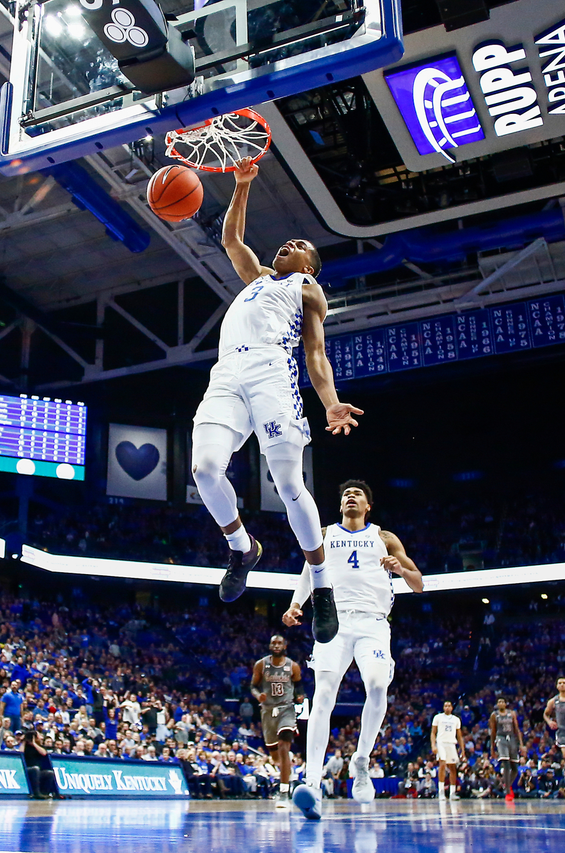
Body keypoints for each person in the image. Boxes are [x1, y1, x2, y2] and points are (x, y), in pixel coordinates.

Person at [196, 154, 362, 628]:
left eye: (302, 246)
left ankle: (321, 583)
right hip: (227, 373)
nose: (291, 244)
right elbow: (231, 239)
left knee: (289, 485)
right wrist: (243, 184)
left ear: (312, 265)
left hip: (272, 372)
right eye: (290, 242)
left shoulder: (306, 288)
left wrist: (330, 403)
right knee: (205, 470)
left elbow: (314, 353)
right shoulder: (258, 279)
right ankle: (242, 549)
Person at [282, 480, 423, 819]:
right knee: (323, 697)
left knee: (377, 686)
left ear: (368, 506)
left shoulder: (384, 538)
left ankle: (361, 760)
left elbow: (419, 583)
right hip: (334, 621)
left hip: (373, 623)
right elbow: (308, 570)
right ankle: (312, 784)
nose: (350, 496)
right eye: (345, 493)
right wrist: (295, 604)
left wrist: (399, 569)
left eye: (357, 493)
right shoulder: (327, 533)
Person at [251, 633, 302, 809]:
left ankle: (284, 792)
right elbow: (253, 686)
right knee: (275, 756)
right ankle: (286, 772)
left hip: (286, 709)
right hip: (267, 711)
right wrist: (259, 696)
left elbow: (299, 684)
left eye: (280, 642)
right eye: (274, 643)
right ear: (270, 646)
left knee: (283, 747)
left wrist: (300, 696)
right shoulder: (261, 665)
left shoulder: (293, 666)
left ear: (285, 646)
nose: (277, 645)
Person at [489, 697, 522, 802]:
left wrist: (521, 744)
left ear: (506, 704)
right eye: (499, 702)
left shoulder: (512, 713)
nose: (501, 703)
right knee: (506, 764)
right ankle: (508, 791)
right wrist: (492, 748)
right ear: (497, 705)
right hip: (501, 738)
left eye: (502, 701)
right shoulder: (494, 715)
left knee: (515, 768)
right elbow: (493, 731)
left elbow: (516, 729)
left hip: (511, 738)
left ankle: (506, 784)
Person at [431, 701, 464, 801]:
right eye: (445, 706)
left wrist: (462, 749)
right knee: (442, 764)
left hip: (451, 743)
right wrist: (433, 745)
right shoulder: (438, 717)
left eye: (449, 705)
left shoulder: (456, 719)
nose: (447, 707)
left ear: (452, 708)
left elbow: (459, 735)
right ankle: (441, 791)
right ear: (443, 707)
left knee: (453, 768)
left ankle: (452, 792)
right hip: (441, 743)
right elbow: (433, 733)